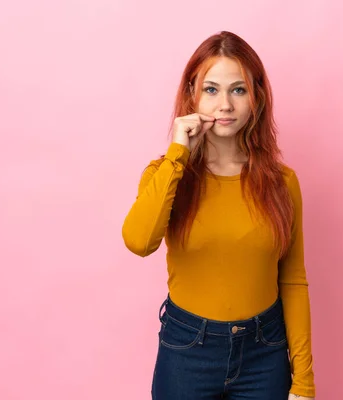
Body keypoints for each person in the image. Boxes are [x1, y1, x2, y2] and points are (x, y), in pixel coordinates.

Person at [122, 31, 316, 400]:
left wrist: (304, 382)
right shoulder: (166, 175)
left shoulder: (282, 183)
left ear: (256, 97)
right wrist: (178, 153)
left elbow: (292, 280)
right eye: (211, 90)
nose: (224, 104)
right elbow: (138, 241)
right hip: (187, 352)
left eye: (238, 90)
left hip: (265, 352)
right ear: (192, 93)